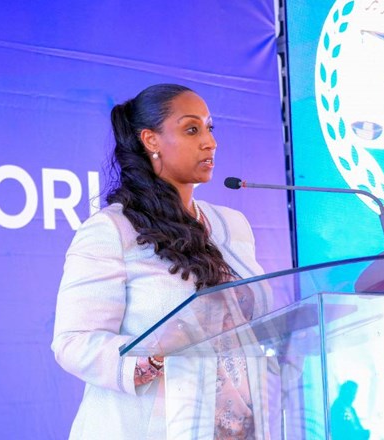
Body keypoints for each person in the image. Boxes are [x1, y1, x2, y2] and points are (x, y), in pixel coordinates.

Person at [51, 84, 271, 439]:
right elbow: (73, 341)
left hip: (233, 427)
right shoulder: (113, 229)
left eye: (209, 128)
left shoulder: (233, 225)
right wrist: (151, 359)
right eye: (191, 129)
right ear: (151, 140)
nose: (210, 142)